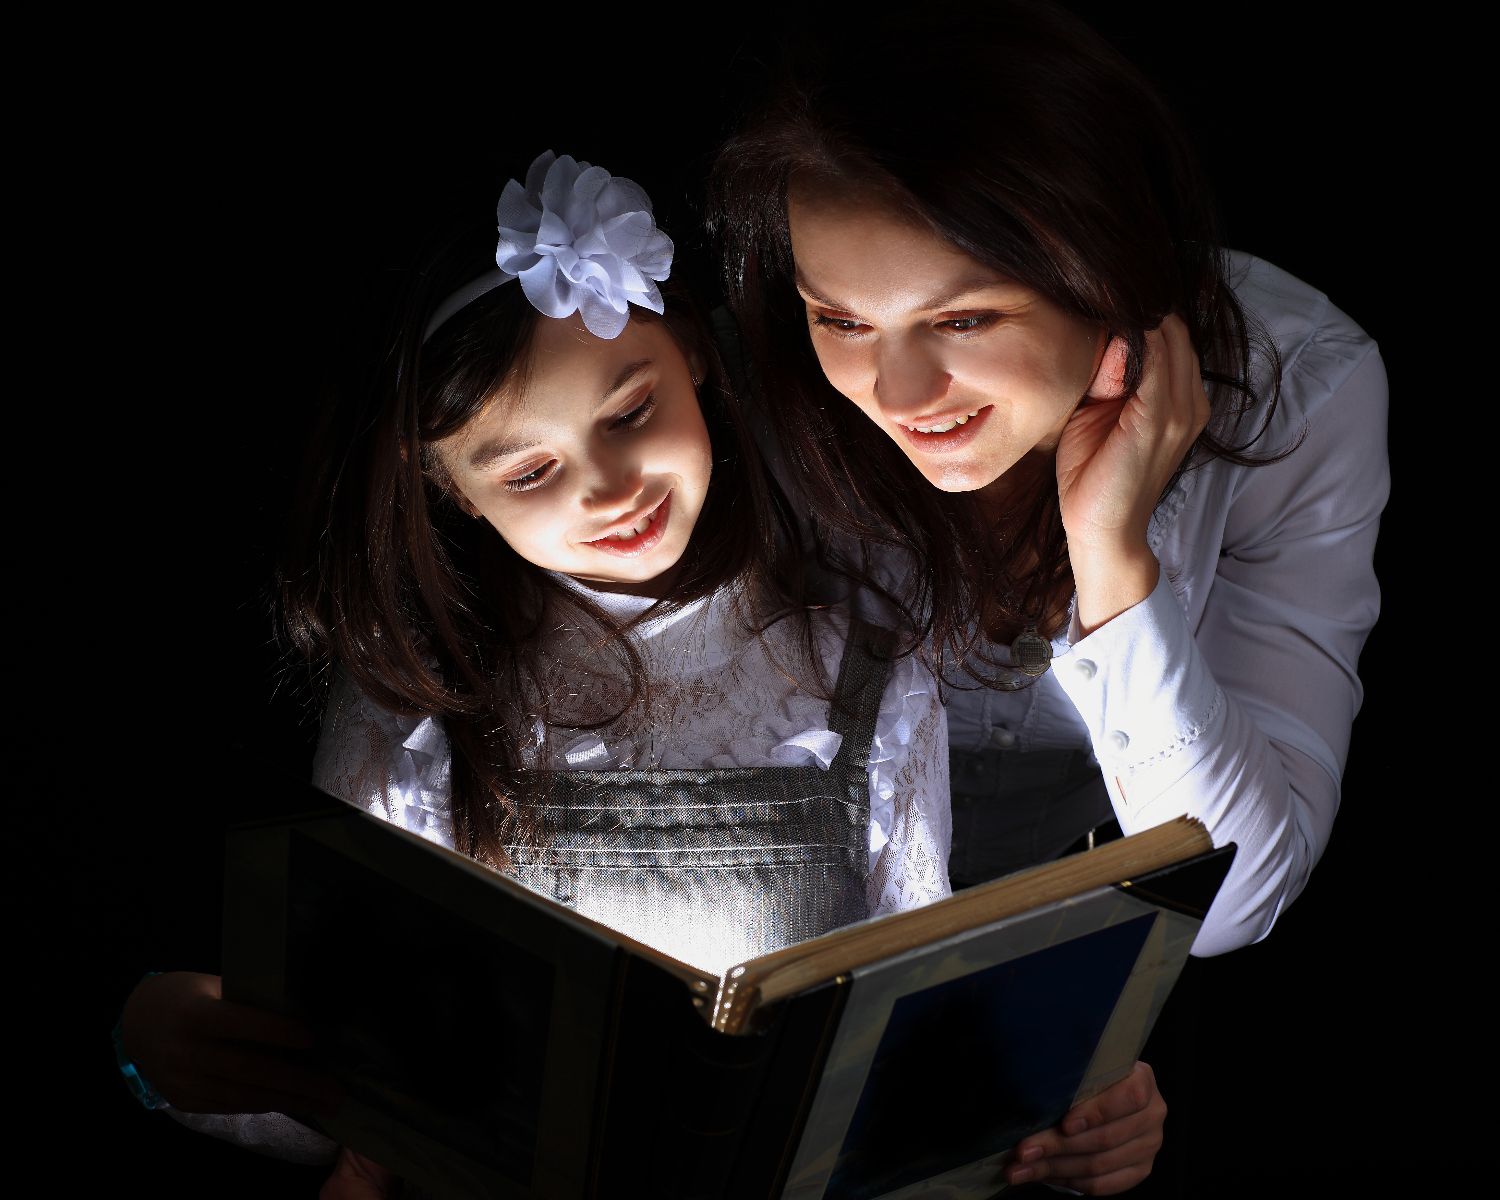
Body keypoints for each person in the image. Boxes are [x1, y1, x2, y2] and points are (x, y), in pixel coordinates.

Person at [111, 150, 954, 1193]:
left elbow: (917, 1023)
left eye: (630, 411)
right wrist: (162, 1049)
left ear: (691, 347)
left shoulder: (864, 667)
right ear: (453, 490)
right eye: (530, 470)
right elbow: (342, 1091)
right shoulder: (418, 703)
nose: (607, 487)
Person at [706, 1, 1387, 1191]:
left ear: (1108, 268)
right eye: (843, 319)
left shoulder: (1301, 390)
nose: (899, 386)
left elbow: (1233, 903)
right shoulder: (738, 404)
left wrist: (1114, 555)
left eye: (965, 318)